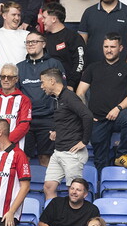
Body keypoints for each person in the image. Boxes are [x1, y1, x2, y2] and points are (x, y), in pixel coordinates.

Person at [77, 34, 127, 170]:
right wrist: (86, 113)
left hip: (118, 116)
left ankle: (121, 155)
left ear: (121, 48)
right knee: (100, 162)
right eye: (106, 47)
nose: (109, 50)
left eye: (113, 47)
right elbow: (80, 92)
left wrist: (118, 108)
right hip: (97, 120)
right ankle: (102, 187)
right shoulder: (92, 68)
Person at [40, 68, 94, 202]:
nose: (42, 86)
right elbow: (68, 119)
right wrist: (56, 131)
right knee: (48, 187)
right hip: (58, 151)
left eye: (43, 82)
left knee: (75, 192)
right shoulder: (57, 99)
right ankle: (52, 218)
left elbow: (87, 115)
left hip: (72, 153)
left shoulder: (69, 96)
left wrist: (84, 141)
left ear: (52, 81)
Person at [17, 32, 68, 167]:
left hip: (48, 119)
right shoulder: (19, 67)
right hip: (26, 120)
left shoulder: (54, 64)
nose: (30, 45)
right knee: (23, 159)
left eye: (34, 41)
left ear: (43, 44)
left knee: (45, 158)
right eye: (28, 42)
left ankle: (45, 188)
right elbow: (16, 96)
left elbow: (63, 93)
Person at [41, 2, 88, 89]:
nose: (42, 21)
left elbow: (80, 62)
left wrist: (71, 84)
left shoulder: (73, 37)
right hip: (47, 88)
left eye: (44, 17)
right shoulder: (43, 39)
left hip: (69, 88)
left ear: (54, 19)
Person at [0, 1, 30, 76]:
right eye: (13, 15)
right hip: (1, 78)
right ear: (4, 16)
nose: (17, 18)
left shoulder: (27, 34)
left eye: (18, 15)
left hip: (20, 78)